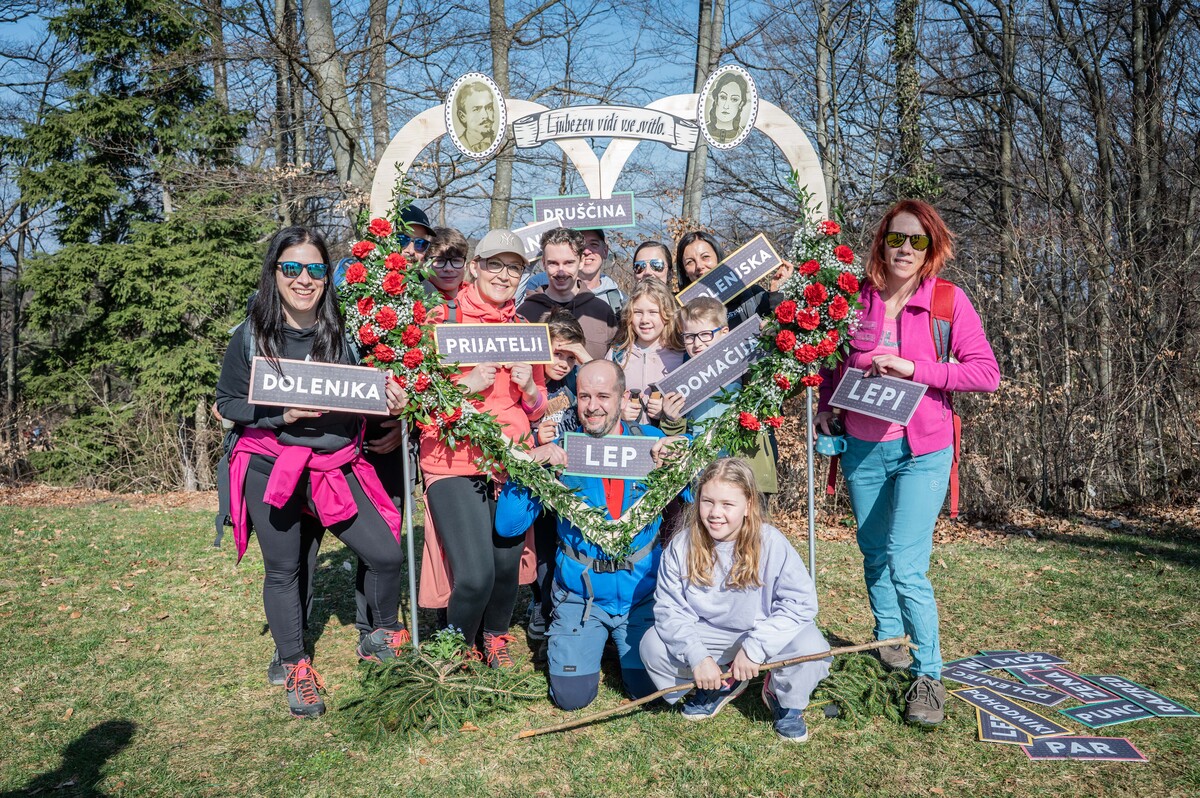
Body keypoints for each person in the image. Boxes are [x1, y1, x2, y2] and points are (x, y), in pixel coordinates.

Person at [814, 199, 1000, 726]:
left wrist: (915, 369)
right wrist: (826, 407)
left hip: (923, 450)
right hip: (863, 448)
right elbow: (831, 364)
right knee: (874, 553)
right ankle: (889, 643)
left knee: (905, 563)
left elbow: (985, 374)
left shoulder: (947, 301)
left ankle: (929, 675)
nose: (904, 249)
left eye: (916, 241)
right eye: (895, 238)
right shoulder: (854, 300)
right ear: (882, 242)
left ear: (930, 248)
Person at [215, 226, 410, 718]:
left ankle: (379, 636)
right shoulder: (250, 335)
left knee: (386, 555)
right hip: (271, 465)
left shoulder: (344, 333)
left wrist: (391, 403)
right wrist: (281, 415)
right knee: (284, 569)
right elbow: (228, 404)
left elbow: (366, 393)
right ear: (274, 273)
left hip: (335, 466)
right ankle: (294, 665)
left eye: (315, 269)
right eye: (292, 268)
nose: (304, 279)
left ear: (327, 275)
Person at [495, 359, 688, 710]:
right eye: (584, 396)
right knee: (571, 698)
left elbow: (701, 494)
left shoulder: (650, 443)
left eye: (603, 396)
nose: (592, 406)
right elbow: (509, 526)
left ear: (622, 398)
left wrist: (681, 451)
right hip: (581, 596)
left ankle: (620, 642)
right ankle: (589, 638)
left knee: (651, 692)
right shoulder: (562, 451)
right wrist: (530, 464)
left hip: (641, 595)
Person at [418, 228, 557, 667]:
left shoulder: (525, 331)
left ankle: (495, 636)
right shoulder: (441, 320)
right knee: (476, 574)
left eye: (513, 268)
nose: (503, 275)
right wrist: (466, 385)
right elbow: (418, 403)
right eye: (494, 264)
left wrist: (529, 389)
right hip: (453, 458)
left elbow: (538, 408)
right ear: (475, 267)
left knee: (505, 565)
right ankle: (453, 648)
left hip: (511, 459)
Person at [639, 458, 830, 741]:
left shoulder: (771, 543)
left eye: (727, 504)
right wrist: (697, 657)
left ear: (748, 505)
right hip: (710, 634)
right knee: (653, 645)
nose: (715, 513)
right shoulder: (681, 546)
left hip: (764, 630)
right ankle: (718, 682)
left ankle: (783, 698)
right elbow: (670, 610)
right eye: (708, 502)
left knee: (812, 647)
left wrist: (756, 648)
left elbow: (800, 603)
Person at [355, 204, 437, 646]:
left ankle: (381, 622)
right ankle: (369, 625)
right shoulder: (358, 293)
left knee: (390, 525)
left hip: (401, 433)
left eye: (420, 243)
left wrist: (408, 422)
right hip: (357, 434)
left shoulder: (426, 298)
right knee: (371, 535)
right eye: (404, 239)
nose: (411, 249)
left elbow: (432, 375)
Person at [660, 297, 778, 499]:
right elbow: (678, 436)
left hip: (747, 472)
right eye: (689, 337)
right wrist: (672, 420)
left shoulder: (747, 364)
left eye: (705, 334)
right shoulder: (682, 379)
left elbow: (774, 386)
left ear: (724, 332)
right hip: (702, 476)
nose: (697, 343)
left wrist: (770, 343)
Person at [526, 309, 592, 649]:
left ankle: (566, 603)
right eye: (557, 353)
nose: (563, 363)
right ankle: (541, 606)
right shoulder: (529, 381)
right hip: (539, 478)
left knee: (567, 544)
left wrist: (583, 356)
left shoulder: (578, 380)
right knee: (542, 548)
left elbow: (609, 384)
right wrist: (537, 437)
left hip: (573, 477)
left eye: (570, 357)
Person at [516, 227, 619, 360]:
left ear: (581, 262)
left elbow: (615, 366)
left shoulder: (602, 312)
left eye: (568, 263)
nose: (561, 272)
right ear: (544, 264)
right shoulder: (526, 313)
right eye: (553, 263)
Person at [605, 279, 686, 425]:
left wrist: (667, 413)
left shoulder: (681, 356)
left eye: (653, 312)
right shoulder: (617, 354)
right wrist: (618, 412)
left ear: (667, 314)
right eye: (638, 312)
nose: (644, 320)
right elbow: (603, 397)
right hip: (627, 436)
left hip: (665, 437)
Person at [675, 230, 771, 328]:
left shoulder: (755, 294)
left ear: (718, 258)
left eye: (705, 257)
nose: (699, 266)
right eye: (690, 262)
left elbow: (776, 325)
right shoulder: (681, 317)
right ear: (684, 271)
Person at [520, 228, 626, 316]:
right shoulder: (535, 289)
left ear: (605, 251)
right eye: (581, 246)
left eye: (593, 244)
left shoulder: (616, 301)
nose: (586, 251)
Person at [706, 71, 749, 146]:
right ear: (716, 99)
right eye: (723, 97)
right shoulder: (703, 131)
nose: (726, 106)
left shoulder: (742, 136)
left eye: (734, 99)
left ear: (741, 104)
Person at [455, 81, 497, 152]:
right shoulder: (458, 145)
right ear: (462, 116)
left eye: (489, 107)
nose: (486, 116)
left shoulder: (501, 143)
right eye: (476, 109)